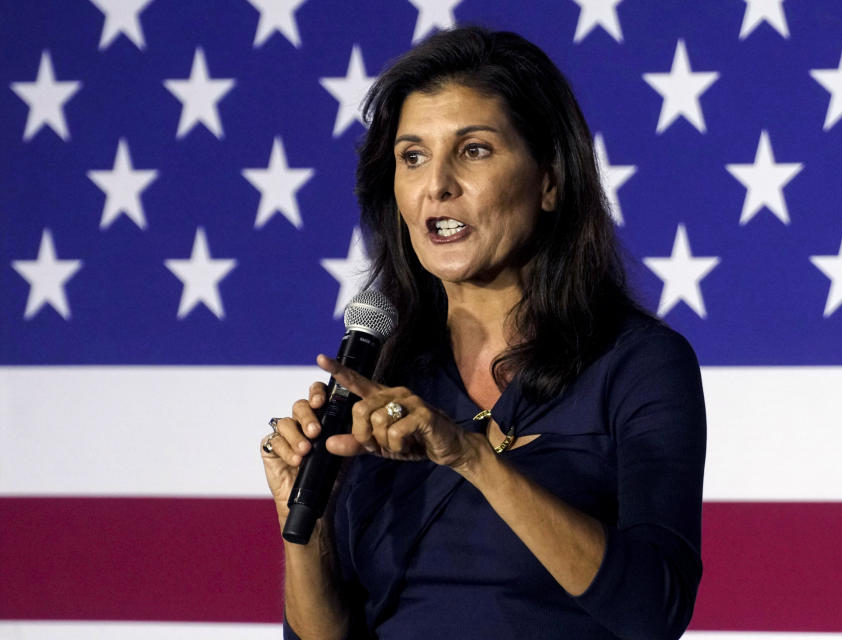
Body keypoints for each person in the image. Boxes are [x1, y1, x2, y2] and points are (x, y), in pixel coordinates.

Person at [260, 26, 706, 640]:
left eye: (473, 150)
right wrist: (301, 521)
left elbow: (655, 610)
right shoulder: (385, 377)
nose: (436, 185)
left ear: (550, 180)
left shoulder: (636, 364)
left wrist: (470, 456)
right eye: (412, 156)